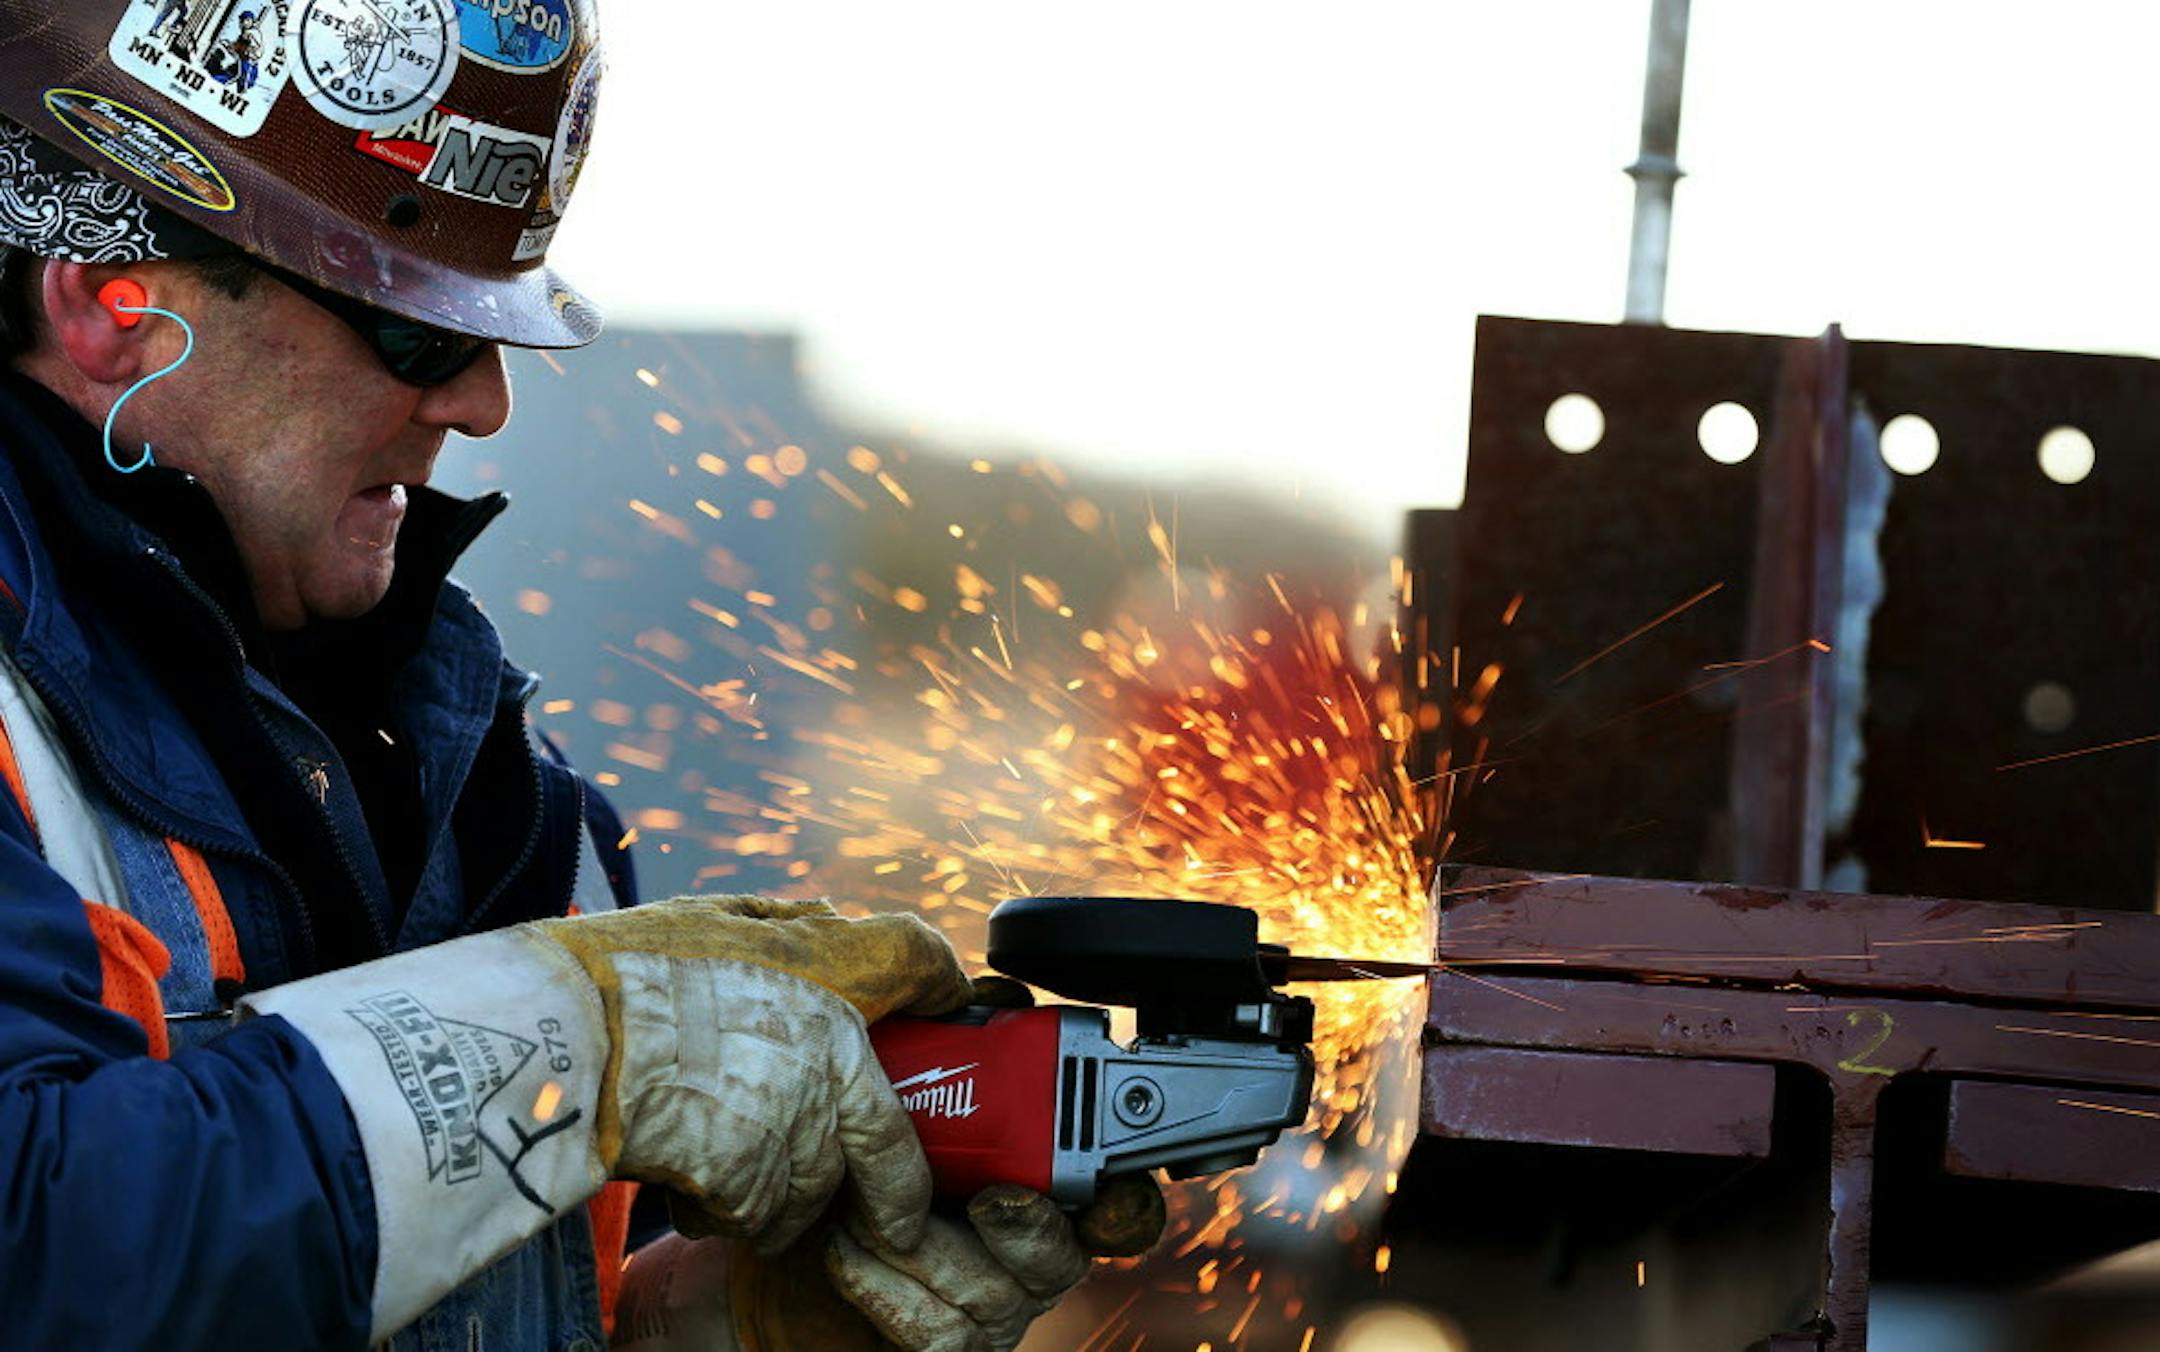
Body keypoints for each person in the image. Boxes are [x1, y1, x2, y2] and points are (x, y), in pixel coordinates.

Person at [0, 3, 1159, 1348]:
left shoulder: (504, 802)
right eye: (411, 329)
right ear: (111, 306)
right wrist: (572, 1044)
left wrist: (735, 1321)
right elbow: (36, 1241)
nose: (482, 402)